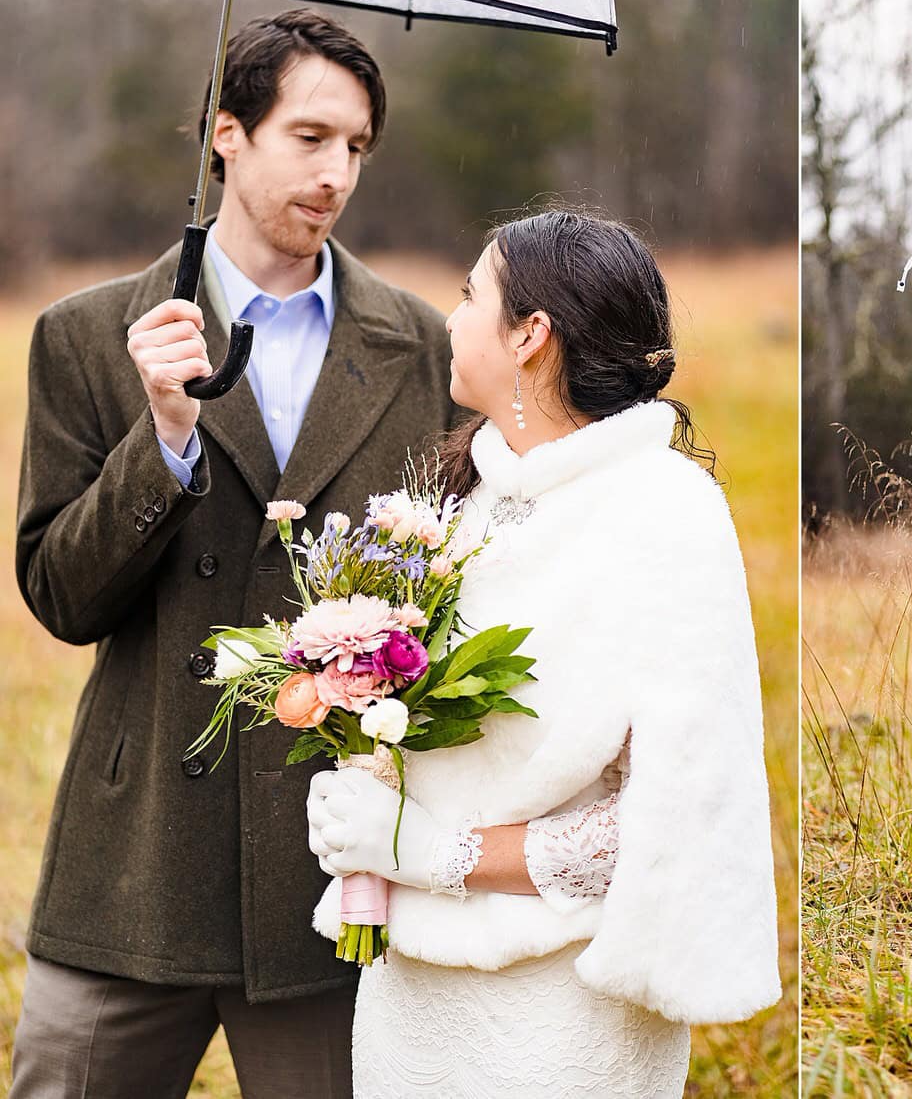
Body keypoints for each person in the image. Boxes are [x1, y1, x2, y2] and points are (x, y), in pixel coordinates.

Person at [12, 9, 459, 1097]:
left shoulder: (418, 343)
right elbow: (60, 596)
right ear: (227, 134)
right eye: (309, 138)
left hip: (328, 869)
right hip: (135, 860)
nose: (337, 172)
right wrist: (161, 435)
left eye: (356, 146)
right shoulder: (88, 334)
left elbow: (447, 582)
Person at [305, 208, 782, 1096]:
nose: (449, 318)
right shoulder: (467, 500)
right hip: (409, 998)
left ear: (531, 334)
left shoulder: (663, 512)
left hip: (560, 1010)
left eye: (468, 295)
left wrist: (432, 850)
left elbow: (668, 816)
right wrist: (361, 795)